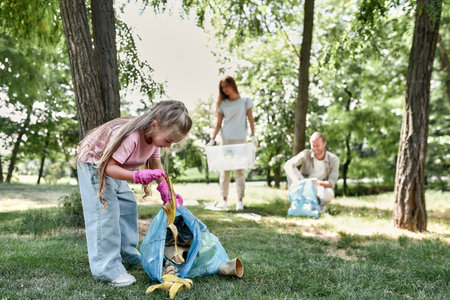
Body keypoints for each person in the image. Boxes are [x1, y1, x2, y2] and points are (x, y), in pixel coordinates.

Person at [76, 100, 192, 287]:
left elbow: (156, 165)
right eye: (169, 141)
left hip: (115, 167)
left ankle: (127, 253)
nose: (168, 146)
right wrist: (137, 176)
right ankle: (107, 269)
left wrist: (166, 189)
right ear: (155, 125)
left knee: (128, 206)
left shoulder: (155, 139)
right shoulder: (133, 137)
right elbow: (109, 167)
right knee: (106, 212)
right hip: (95, 165)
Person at [208, 75, 257, 211]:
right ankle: (224, 200)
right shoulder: (223, 104)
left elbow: (251, 120)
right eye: (222, 88)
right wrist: (212, 139)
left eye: (226, 86)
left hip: (241, 139)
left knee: (240, 170)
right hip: (226, 138)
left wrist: (253, 136)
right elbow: (218, 124)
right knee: (225, 170)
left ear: (233, 85)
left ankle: (240, 201)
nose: (224, 90)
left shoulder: (245, 101)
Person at [283, 132, 339, 212]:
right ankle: (301, 200)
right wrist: (296, 181)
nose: (315, 149)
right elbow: (287, 164)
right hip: (303, 185)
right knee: (291, 167)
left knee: (329, 193)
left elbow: (331, 183)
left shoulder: (333, 159)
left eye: (318, 146)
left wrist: (315, 182)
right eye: (313, 146)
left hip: (319, 188)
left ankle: (313, 203)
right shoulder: (306, 154)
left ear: (324, 144)